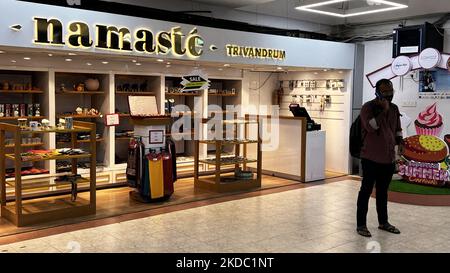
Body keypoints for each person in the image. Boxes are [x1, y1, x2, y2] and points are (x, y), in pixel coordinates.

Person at [356, 79, 403, 237]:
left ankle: (383, 222)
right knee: (366, 192)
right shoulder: (368, 108)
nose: (389, 95)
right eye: (385, 92)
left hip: (388, 159)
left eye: (390, 91)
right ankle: (361, 225)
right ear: (377, 92)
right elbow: (371, 126)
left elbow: (397, 129)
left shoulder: (395, 109)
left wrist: (400, 142)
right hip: (370, 158)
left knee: (383, 192)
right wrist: (383, 111)